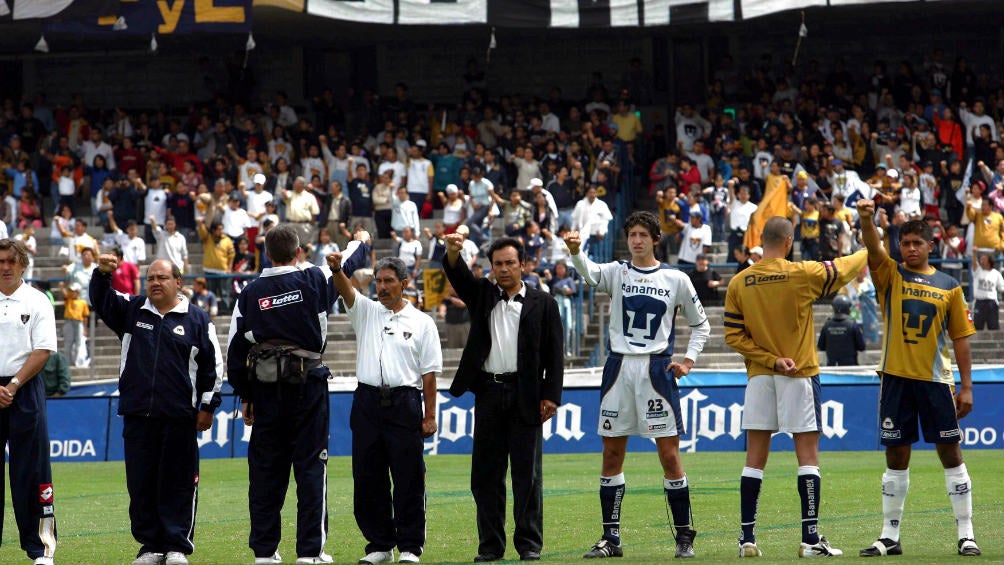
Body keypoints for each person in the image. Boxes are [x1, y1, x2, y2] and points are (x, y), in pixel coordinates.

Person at [567, 211, 710, 559]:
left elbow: (701, 325)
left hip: (656, 371)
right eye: (631, 233)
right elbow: (588, 273)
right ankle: (611, 539)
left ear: (656, 239)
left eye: (643, 234)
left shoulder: (676, 279)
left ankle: (683, 536)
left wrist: (688, 360)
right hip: (618, 368)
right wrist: (575, 251)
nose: (636, 240)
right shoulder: (617, 272)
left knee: (669, 455)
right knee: (611, 454)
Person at [723, 216, 867, 558]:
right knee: (808, 457)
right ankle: (811, 538)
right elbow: (846, 267)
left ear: (762, 239)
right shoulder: (802, 273)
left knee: (754, 459)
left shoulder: (740, 282)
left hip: (759, 376)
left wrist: (770, 360)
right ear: (789, 241)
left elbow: (733, 336)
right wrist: (872, 248)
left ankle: (747, 538)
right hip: (799, 374)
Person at [855, 198, 981, 558]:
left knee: (950, 452)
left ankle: (966, 534)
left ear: (931, 246)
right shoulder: (891, 275)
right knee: (896, 454)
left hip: (936, 381)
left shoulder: (949, 286)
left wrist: (968, 387)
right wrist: (867, 219)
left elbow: (961, 339)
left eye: (916, 243)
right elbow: (873, 247)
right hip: (895, 379)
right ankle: (889, 536)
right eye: (905, 243)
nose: (910, 249)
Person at [90, 256, 223, 565]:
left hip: (179, 417)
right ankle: (150, 546)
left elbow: (213, 367)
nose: (155, 282)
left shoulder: (198, 320)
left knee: (178, 483)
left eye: (162, 277)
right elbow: (100, 299)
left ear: (179, 282)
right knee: (141, 483)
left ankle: (177, 545)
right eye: (150, 278)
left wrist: (207, 406)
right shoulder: (132, 311)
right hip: (138, 415)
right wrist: (102, 274)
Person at [226, 225, 343, 565]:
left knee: (265, 471)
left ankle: (265, 552)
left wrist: (245, 395)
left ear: (266, 254)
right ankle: (310, 552)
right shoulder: (312, 282)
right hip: (307, 388)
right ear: (298, 253)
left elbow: (236, 348)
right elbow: (346, 267)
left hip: (264, 390)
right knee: (310, 467)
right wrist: (361, 243)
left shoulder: (250, 292)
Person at [443, 234, 564, 563]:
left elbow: (555, 354)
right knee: (485, 476)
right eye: (498, 264)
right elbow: (458, 276)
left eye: (511, 262)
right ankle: (490, 547)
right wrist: (453, 252)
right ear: (491, 268)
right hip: (488, 392)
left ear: (523, 264)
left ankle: (529, 545)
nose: (505, 269)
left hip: (527, 395)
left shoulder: (544, 303)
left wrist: (551, 395)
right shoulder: (481, 294)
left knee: (528, 475)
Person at [327, 250, 442, 565]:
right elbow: (346, 289)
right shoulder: (365, 311)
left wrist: (430, 415)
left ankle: (410, 546)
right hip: (366, 401)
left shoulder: (422, 322)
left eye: (389, 281)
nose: (383, 286)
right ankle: (379, 545)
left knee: (408, 477)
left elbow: (429, 374)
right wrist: (337, 269)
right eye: (378, 281)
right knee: (367, 478)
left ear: (404, 283)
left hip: (405, 402)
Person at [0, 238, 58, 565]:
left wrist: (13, 384)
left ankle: (41, 550)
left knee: (33, 473)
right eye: (0, 261)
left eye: (11, 261)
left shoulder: (37, 300)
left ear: (23, 264)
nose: (5, 267)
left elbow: (43, 349)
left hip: (25, 388)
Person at [817, 294, 866, 366]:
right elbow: (862, 347)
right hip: (851, 367)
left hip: (832, 367)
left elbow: (821, 346)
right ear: (847, 308)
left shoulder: (827, 325)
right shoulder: (853, 325)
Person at [971, 253, 1004, 330]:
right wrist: (974, 254)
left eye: (984, 259)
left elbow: (1001, 288)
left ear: (989, 261)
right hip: (979, 302)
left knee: (993, 326)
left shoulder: (996, 273)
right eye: (981, 259)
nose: (981, 261)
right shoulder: (978, 271)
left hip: (991, 303)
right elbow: (974, 264)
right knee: (977, 327)